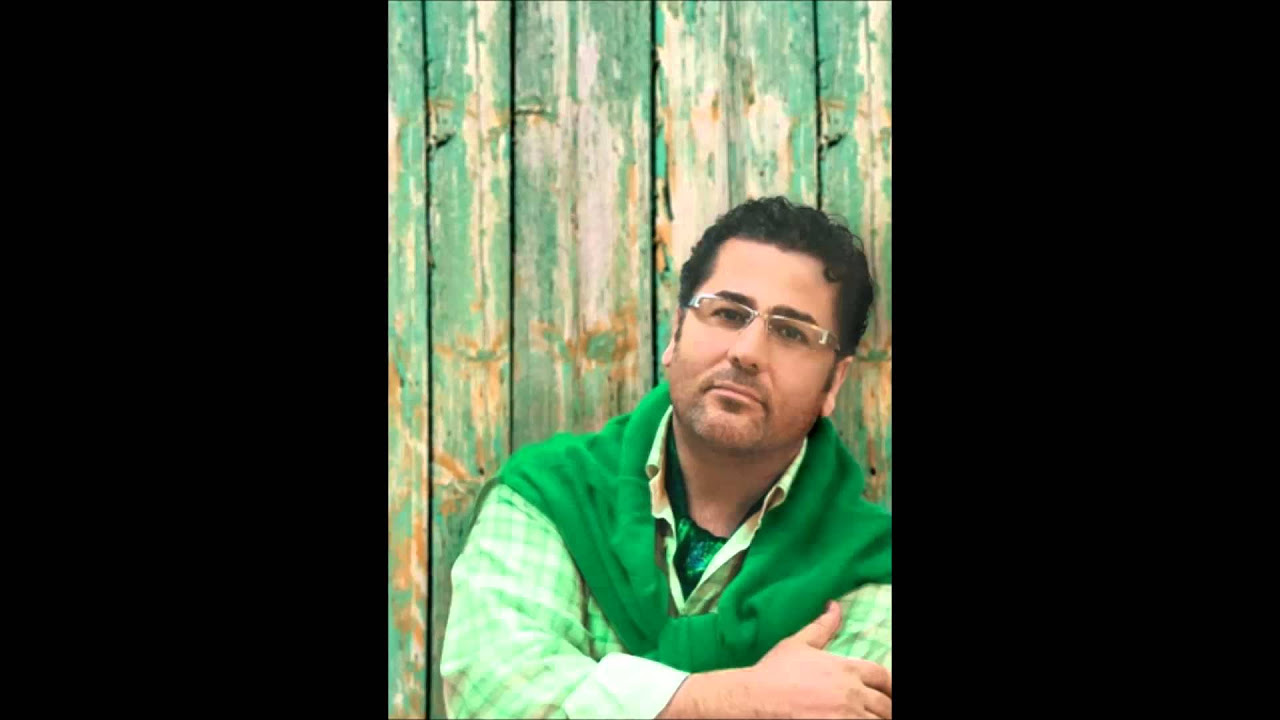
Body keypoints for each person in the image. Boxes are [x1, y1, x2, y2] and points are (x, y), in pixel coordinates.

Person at [441, 196, 892, 719]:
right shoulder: (550, 497)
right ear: (676, 334)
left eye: (791, 332)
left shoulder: (871, 567)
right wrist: (744, 700)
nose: (747, 351)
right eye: (728, 313)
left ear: (834, 382)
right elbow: (492, 699)